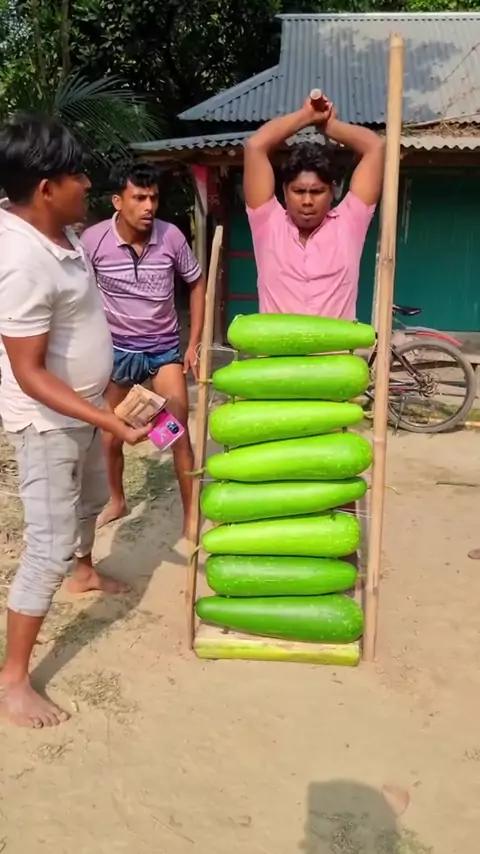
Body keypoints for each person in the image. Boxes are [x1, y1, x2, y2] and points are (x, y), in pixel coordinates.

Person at [0, 115, 151, 728]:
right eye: (76, 175)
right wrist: (108, 421)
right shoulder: (21, 262)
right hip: (47, 423)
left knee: (90, 500)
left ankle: (83, 574)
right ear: (45, 188)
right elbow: (30, 373)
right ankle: (12, 680)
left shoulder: (60, 232)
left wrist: (106, 405)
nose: (88, 183)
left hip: (84, 409)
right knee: (47, 547)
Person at [82, 161, 205, 536]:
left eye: (153, 198)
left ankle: (191, 516)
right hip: (117, 352)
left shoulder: (171, 237)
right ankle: (118, 501)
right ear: (118, 201)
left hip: (163, 351)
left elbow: (196, 283)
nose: (149, 206)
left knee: (176, 432)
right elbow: (79, 294)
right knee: (110, 435)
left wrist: (194, 343)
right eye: (139, 198)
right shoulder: (94, 241)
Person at [243, 94, 385, 318]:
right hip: (277, 343)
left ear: (332, 191)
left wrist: (330, 126)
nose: (307, 201)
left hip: (335, 343)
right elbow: (255, 146)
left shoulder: (349, 224)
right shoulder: (268, 223)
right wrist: (306, 116)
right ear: (285, 191)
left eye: (317, 191)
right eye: (299, 191)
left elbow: (374, 146)